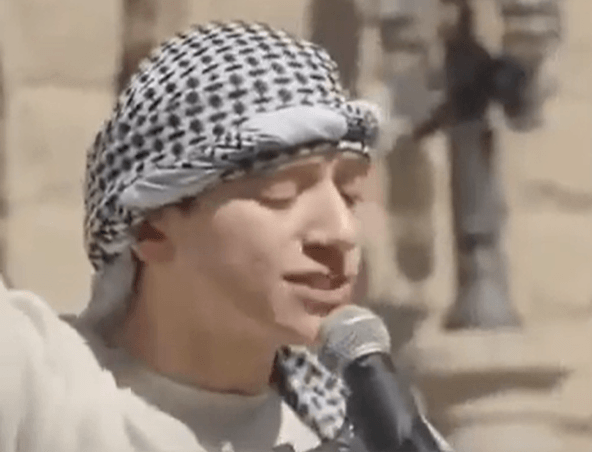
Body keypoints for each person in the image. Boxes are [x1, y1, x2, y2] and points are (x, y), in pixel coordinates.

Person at [0, 21, 450, 452]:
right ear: (151, 226)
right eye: (280, 192)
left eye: (350, 195)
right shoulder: (42, 386)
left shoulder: (369, 434)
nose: (341, 233)